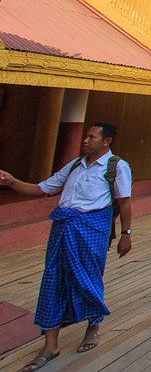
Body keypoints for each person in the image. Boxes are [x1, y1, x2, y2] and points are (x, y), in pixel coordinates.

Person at [0, 123, 132, 372]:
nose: (85, 140)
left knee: (87, 278)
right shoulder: (74, 165)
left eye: (92, 136)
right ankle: (51, 345)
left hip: (92, 229)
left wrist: (126, 234)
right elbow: (41, 189)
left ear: (107, 142)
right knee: (53, 281)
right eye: (86, 136)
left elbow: (124, 202)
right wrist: (12, 181)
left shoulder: (117, 167)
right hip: (62, 228)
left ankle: (93, 324)